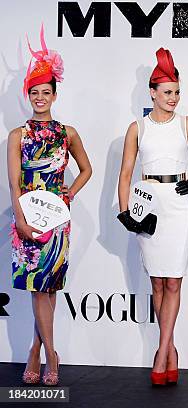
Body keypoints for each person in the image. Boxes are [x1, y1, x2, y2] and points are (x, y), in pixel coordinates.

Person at [117, 48, 188, 386]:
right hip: (147, 203)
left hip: (179, 205)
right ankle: (171, 349)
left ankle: (161, 352)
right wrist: (126, 214)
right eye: (167, 92)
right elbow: (125, 174)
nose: (174, 98)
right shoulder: (137, 128)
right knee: (156, 281)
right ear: (152, 92)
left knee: (174, 280)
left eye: (177, 92)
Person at [8, 25, 92, 386]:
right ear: (29, 96)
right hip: (27, 219)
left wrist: (68, 194)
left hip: (57, 220)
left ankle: (40, 351)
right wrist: (21, 219)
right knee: (37, 287)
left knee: (48, 287)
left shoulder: (67, 133)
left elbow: (87, 170)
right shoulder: (18, 135)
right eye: (35, 93)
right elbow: (14, 182)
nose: (40, 98)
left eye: (46, 92)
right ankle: (47, 353)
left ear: (54, 95)